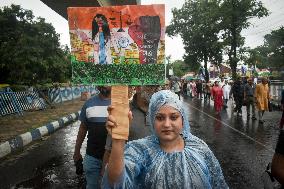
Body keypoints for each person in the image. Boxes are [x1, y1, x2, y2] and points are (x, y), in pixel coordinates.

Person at [102, 90, 228, 188]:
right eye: (160, 118)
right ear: (152, 121)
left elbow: (218, 182)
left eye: (173, 117)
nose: (167, 124)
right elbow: (115, 183)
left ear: (182, 120)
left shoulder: (199, 148)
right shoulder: (140, 151)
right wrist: (118, 140)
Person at [73, 86, 111, 189]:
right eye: (102, 80)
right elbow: (82, 129)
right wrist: (76, 151)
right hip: (92, 158)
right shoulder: (88, 104)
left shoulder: (120, 105)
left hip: (113, 159)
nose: (105, 84)